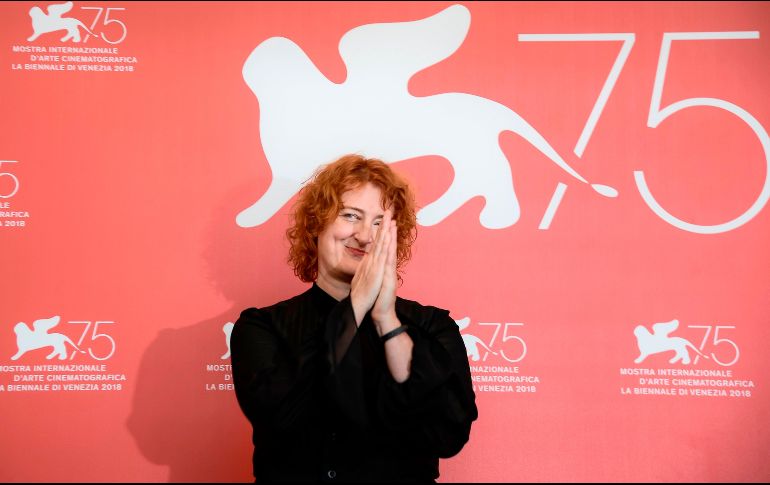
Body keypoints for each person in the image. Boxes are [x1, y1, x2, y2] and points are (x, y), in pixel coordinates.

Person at [230, 154, 477, 483]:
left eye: (379, 223)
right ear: (317, 223)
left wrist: (387, 320)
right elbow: (281, 416)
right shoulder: (262, 326)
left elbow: (448, 435)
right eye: (351, 216)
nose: (364, 236)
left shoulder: (432, 327)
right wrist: (356, 304)